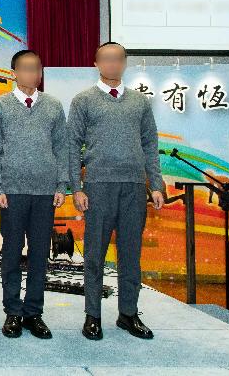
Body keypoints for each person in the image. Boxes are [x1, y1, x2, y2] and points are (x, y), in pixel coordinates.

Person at [67, 41, 165, 341]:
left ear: (124, 63)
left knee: (130, 255)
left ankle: (128, 314)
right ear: (96, 63)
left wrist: (156, 184)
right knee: (95, 255)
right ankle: (93, 316)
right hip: (98, 187)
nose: (111, 64)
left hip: (134, 188)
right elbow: (71, 145)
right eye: (105, 59)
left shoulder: (139, 102)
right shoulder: (83, 100)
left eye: (117, 59)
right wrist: (76, 188)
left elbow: (150, 145)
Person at [0, 49, 68, 340]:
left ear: (41, 73)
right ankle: (12, 311)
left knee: (39, 254)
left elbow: (62, 149)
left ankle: (34, 312)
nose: (31, 74)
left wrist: (61, 185)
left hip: (45, 193)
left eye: (36, 69)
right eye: (25, 68)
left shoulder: (54, 106)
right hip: (12, 193)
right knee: (10, 253)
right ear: (14, 72)